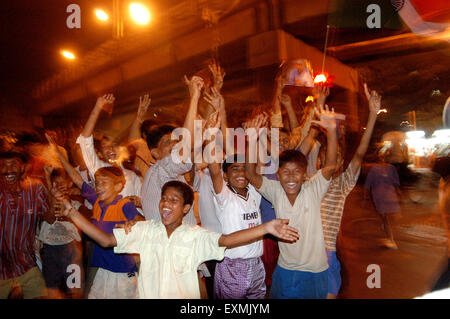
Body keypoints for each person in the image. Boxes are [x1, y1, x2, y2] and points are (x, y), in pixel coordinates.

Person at [52, 180, 299, 299]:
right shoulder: (146, 230)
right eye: (164, 198)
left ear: (186, 208)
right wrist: (72, 212)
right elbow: (105, 240)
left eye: (174, 200)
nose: (166, 204)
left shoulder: (194, 236)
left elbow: (227, 240)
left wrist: (266, 227)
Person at [245, 105, 338, 299]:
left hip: (316, 269)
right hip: (286, 269)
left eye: (297, 172)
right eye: (285, 172)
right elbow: (251, 174)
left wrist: (331, 131)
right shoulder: (275, 190)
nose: (291, 177)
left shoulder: (313, 188)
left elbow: (330, 166)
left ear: (305, 175)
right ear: (278, 175)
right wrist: (252, 140)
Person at [46, 134, 145, 298]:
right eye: (97, 183)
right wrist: (58, 154)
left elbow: (140, 221)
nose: (98, 187)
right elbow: (77, 179)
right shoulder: (98, 201)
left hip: (121, 272)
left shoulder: (124, 204)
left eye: (103, 183)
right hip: (102, 269)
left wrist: (134, 223)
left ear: (119, 186)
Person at [320, 83, 382, 298]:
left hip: (326, 255)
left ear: (340, 163)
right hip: (302, 257)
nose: (331, 159)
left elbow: (359, 154)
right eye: (326, 155)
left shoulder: (341, 184)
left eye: (337, 157)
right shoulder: (308, 183)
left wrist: (373, 115)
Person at [0, 151, 55, 299]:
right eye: (3, 165)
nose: (8, 169)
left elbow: (50, 218)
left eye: (13, 164)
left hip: (26, 265)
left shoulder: (35, 188)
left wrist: (48, 180)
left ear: (22, 167)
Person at [76, 94, 143, 200]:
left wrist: (137, 202)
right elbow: (85, 140)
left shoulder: (132, 175)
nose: (111, 149)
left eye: (114, 145)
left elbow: (142, 202)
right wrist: (98, 107)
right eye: (105, 146)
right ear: (100, 153)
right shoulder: (99, 169)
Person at [38, 168, 90, 299]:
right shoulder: (45, 203)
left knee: (74, 289)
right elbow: (49, 217)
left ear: (70, 183)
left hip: (71, 250)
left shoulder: (76, 203)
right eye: (56, 183)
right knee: (51, 290)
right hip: (50, 250)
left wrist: (69, 215)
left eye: (63, 182)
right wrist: (51, 190)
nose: (60, 185)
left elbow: (90, 218)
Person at [364, 151, 402, 250]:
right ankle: (389, 236)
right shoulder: (390, 168)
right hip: (388, 195)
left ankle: (390, 239)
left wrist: (366, 196)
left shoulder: (376, 169)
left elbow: (368, 184)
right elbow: (396, 183)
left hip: (381, 196)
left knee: (385, 219)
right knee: (387, 218)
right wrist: (398, 194)